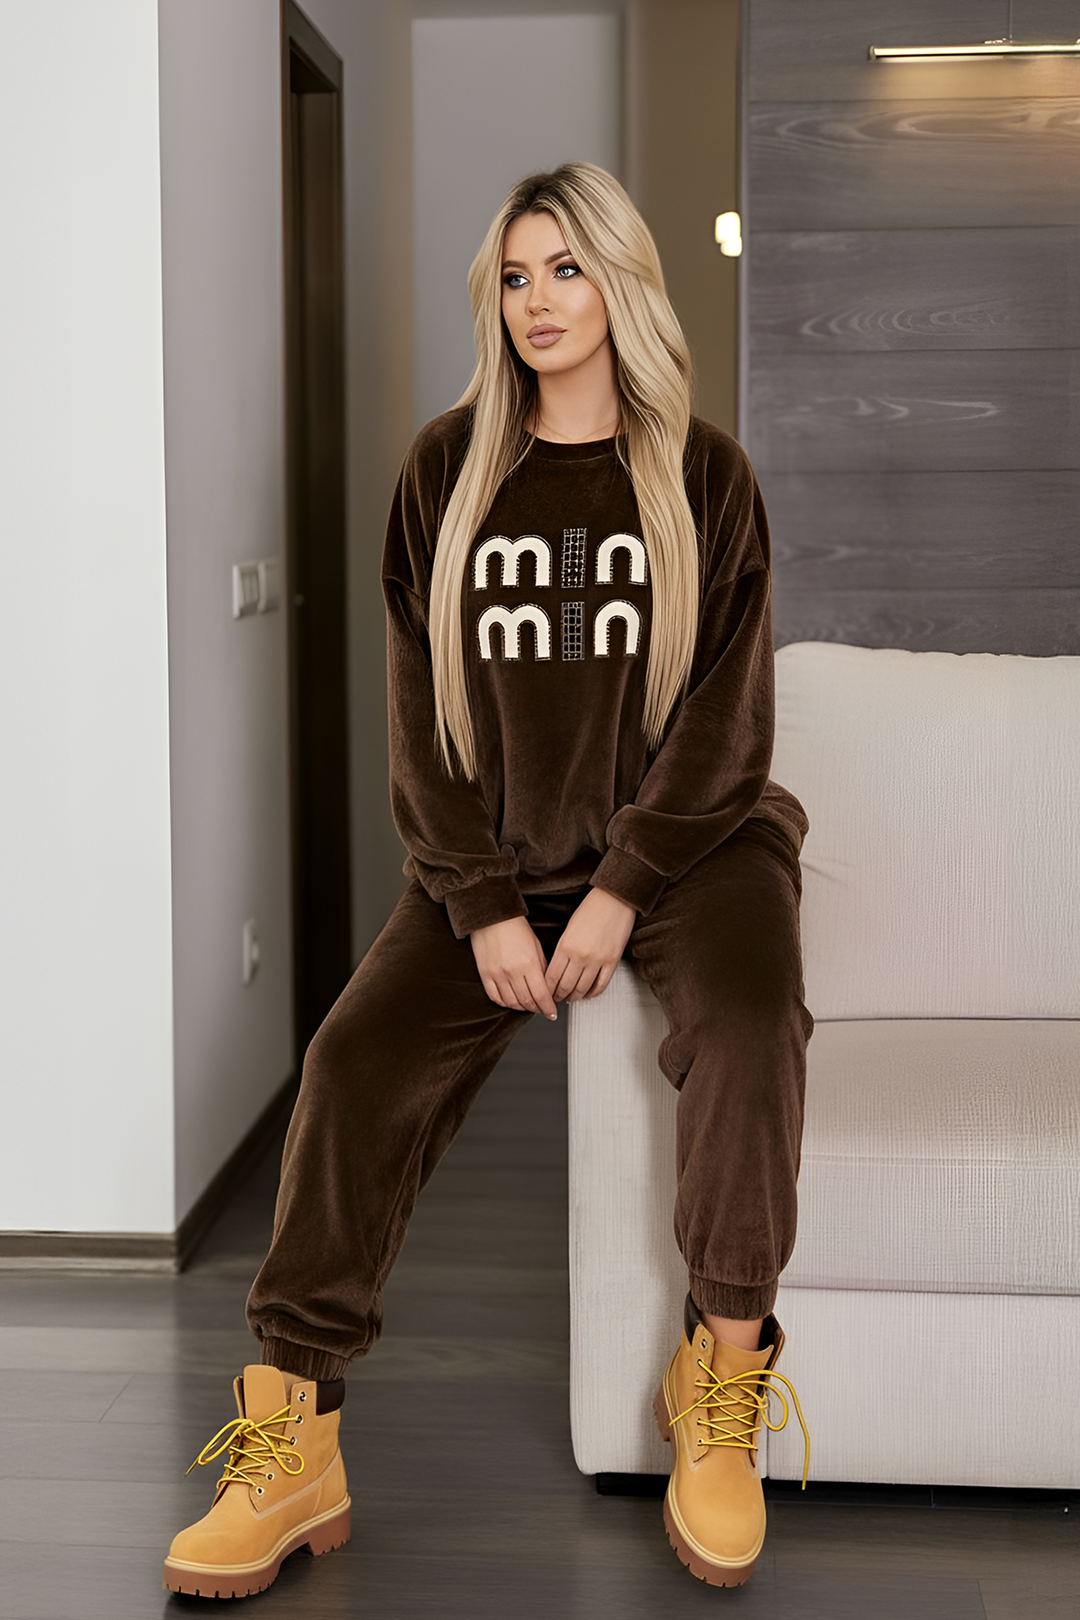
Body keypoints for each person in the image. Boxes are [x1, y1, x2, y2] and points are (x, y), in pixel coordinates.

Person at [163, 161, 813, 1600]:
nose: (538, 301)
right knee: (349, 1064)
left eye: (567, 269)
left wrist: (623, 886)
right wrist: (479, 903)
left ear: (622, 282)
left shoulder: (706, 475)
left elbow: (728, 720)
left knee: (753, 1024)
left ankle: (720, 1383)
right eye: (515, 275)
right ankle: (294, 1439)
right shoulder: (443, 473)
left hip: (694, 850)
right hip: (498, 858)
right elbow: (421, 726)